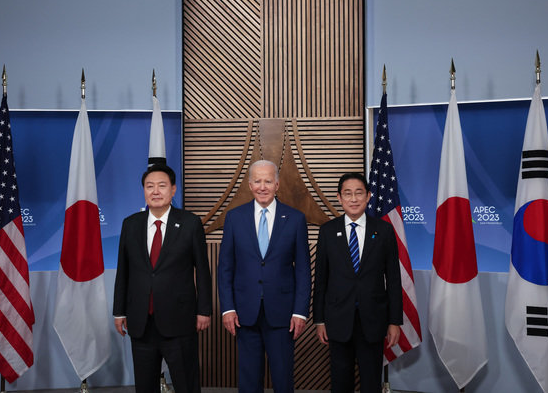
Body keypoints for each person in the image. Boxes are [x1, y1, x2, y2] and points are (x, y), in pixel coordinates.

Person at [113, 163, 211, 393]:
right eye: (150, 186)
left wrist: (203, 310)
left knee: (186, 385)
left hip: (180, 321)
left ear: (173, 190)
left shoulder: (190, 223)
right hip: (141, 322)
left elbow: (203, 270)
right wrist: (119, 311)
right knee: (145, 387)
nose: (155, 191)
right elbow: (123, 271)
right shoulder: (131, 224)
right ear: (144, 191)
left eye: (161, 186)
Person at [218, 159, 311, 393]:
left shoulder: (296, 219)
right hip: (244, 313)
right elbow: (225, 267)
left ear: (277, 184)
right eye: (257, 181)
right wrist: (227, 308)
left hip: (283, 314)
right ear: (249, 184)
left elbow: (302, 270)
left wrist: (300, 312)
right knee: (249, 381)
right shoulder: (234, 218)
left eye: (268, 181)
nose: (262, 186)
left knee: (283, 379)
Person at [313, 172, 402, 393]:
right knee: (340, 382)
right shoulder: (327, 231)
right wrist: (319, 320)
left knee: (371, 382)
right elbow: (321, 279)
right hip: (337, 319)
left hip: (372, 320)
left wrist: (394, 321)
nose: (354, 199)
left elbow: (393, 278)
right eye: (348, 194)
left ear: (368, 196)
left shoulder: (383, 230)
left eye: (359, 193)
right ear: (339, 198)